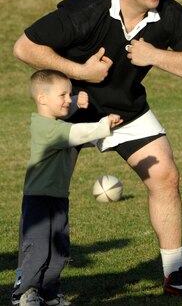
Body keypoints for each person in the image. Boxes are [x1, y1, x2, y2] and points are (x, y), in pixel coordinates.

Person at [12, 0, 182, 296]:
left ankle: (175, 274)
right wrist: (81, 71)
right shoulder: (88, 9)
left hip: (124, 109)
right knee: (46, 192)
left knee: (165, 176)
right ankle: (30, 283)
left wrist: (154, 54)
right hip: (71, 106)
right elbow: (25, 47)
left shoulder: (167, 13)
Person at [12, 70, 122, 306]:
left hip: (58, 198)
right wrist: (104, 125)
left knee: (59, 248)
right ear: (42, 98)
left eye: (69, 94)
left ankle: (50, 293)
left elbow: (67, 118)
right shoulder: (45, 128)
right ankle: (26, 293)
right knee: (38, 248)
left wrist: (75, 103)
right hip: (38, 201)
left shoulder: (54, 123)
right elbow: (77, 133)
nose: (68, 99)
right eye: (63, 95)